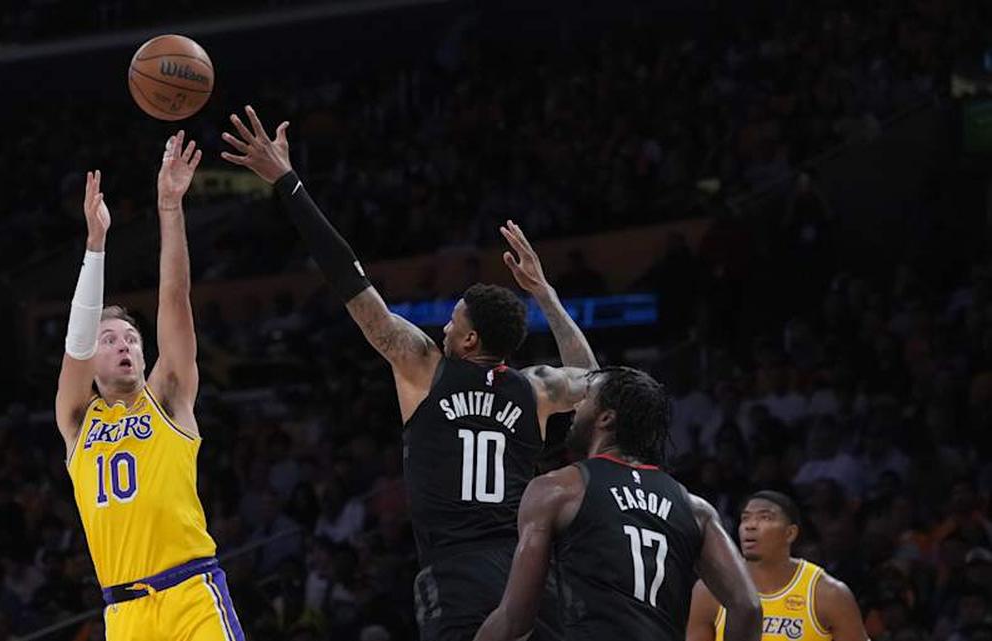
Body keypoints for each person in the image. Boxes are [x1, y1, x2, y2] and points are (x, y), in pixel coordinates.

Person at [221, 105, 598, 641]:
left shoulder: (422, 366)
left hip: (457, 573)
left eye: (453, 319)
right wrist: (546, 295)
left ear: (468, 339)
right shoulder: (535, 388)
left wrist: (288, 183)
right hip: (531, 573)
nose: (444, 326)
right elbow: (592, 380)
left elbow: (351, 282)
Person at [55, 132, 244, 641]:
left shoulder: (167, 396)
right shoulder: (77, 419)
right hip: (124, 613)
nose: (124, 345)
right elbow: (76, 339)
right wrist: (95, 247)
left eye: (132, 339)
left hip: (190, 594)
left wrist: (169, 207)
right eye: (110, 339)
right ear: (91, 360)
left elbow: (175, 296)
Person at [473, 367, 763, 641]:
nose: (575, 406)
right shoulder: (695, 508)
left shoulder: (557, 490)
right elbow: (748, 607)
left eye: (585, 398)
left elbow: (515, 619)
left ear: (606, 418)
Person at [687, 491, 868, 641]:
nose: (751, 526)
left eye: (765, 517)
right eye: (746, 519)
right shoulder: (709, 590)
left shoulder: (829, 594)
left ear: (790, 533)